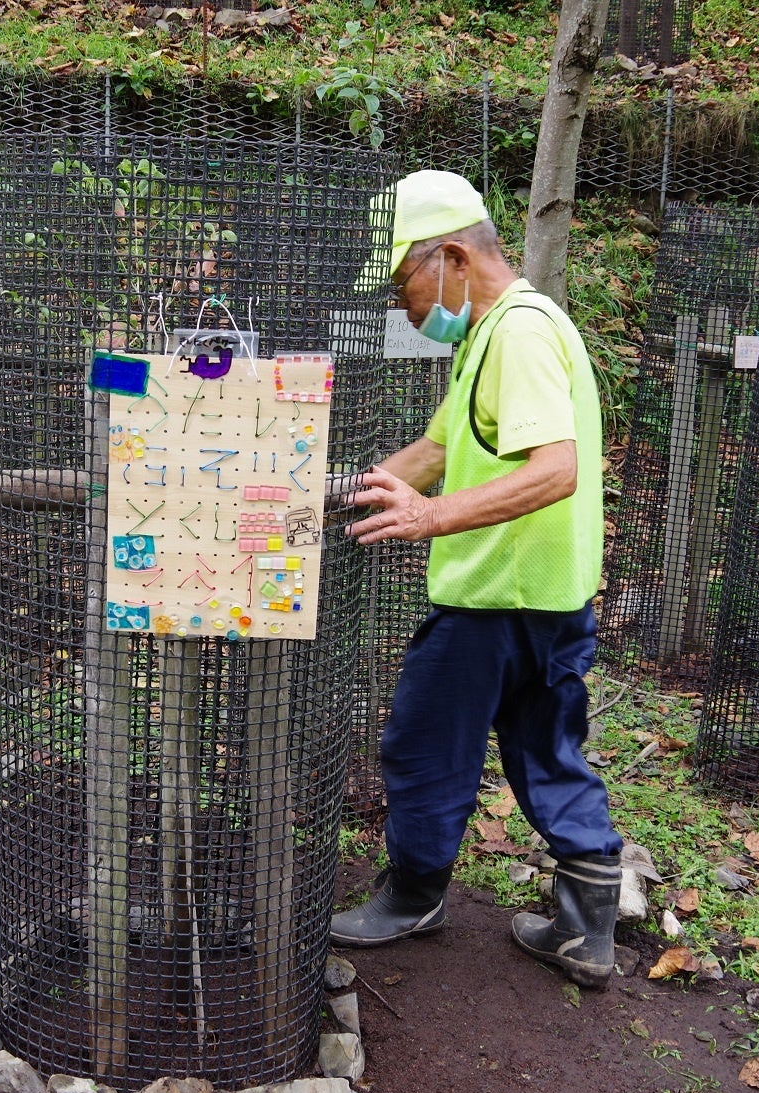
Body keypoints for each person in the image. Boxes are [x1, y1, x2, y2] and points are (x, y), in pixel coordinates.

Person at [330, 169, 623, 989]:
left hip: (495, 599)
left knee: (423, 743)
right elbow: (433, 454)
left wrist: (427, 520)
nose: (405, 309)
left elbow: (555, 469)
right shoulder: (489, 339)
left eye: (404, 285)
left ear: (454, 257)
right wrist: (325, 502)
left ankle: (412, 896)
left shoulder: (520, 332)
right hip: (550, 596)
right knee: (545, 749)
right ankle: (585, 923)